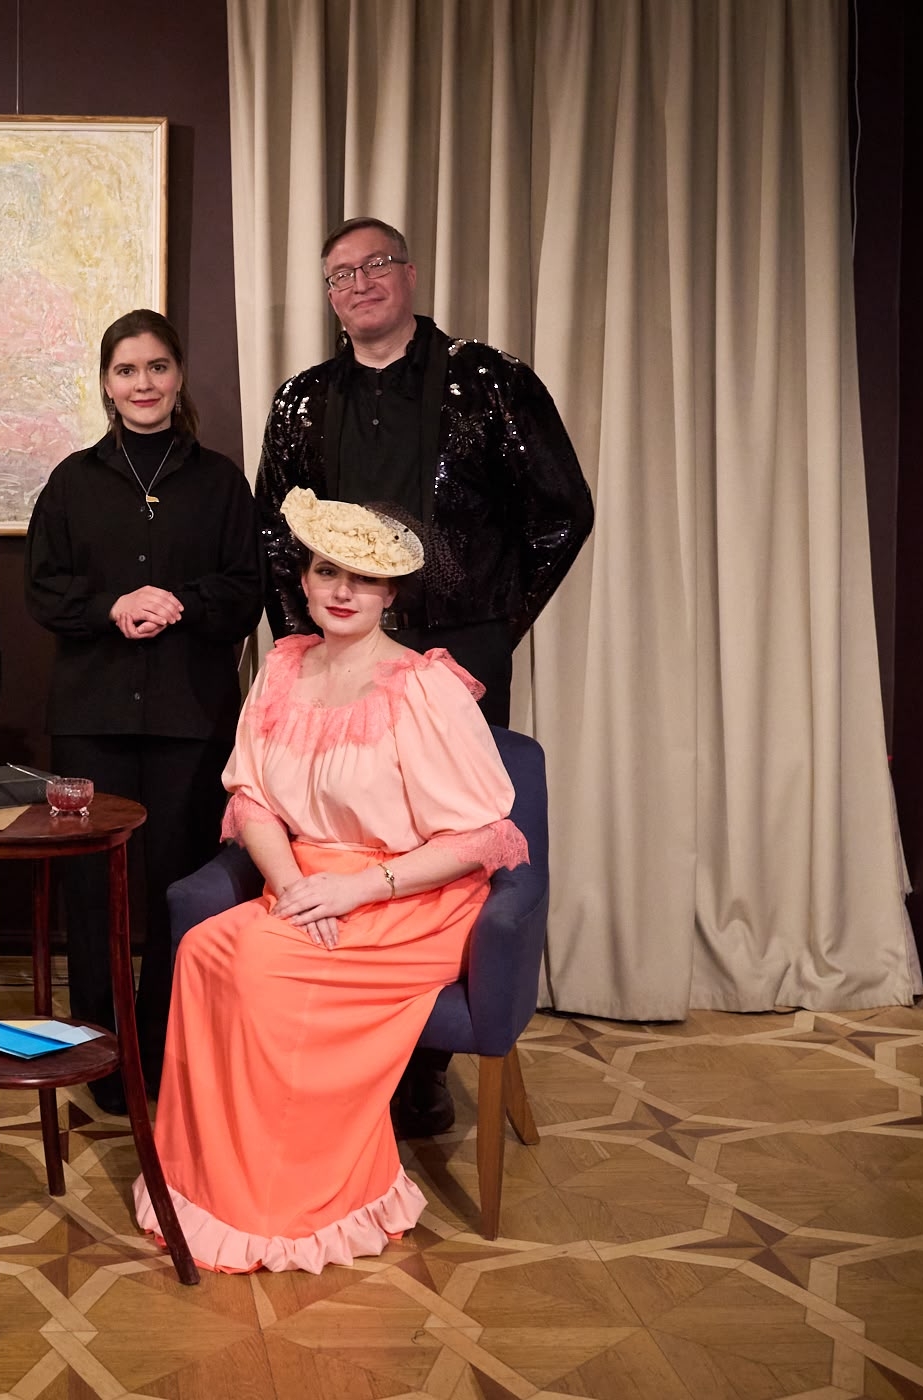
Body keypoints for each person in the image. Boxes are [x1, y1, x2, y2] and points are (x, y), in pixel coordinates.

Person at [254, 215, 592, 1136]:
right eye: (340, 274)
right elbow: (275, 536)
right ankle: (334, 1054)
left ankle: (422, 1067)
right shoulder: (301, 400)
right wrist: (306, 646)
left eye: (376, 265)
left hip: (456, 658)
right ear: (329, 297)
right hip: (338, 661)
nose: (359, 283)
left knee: (442, 846)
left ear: (409, 274)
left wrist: (493, 624)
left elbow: (562, 511)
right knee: (340, 841)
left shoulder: (491, 380)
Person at [132, 489, 529, 1274]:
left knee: (261, 967)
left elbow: (483, 835)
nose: (343, 591)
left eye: (364, 578)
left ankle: (286, 1205)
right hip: (306, 878)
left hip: (410, 895)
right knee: (206, 950)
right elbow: (252, 799)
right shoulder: (281, 668)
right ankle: (207, 1184)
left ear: (390, 595)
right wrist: (288, 885)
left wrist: (360, 889)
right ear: (304, 581)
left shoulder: (425, 687)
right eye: (327, 572)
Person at [24, 309, 261, 1114]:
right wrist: (112, 607)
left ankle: (163, 1049)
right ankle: (99, 1054)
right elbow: (44, 590)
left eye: (157, 367)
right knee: (93, 894)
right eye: (127, 370)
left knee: (176, 892)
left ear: (178, 375)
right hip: (90, 721)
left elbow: (246, 589)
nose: (144, 383)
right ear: (105, 383)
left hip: (190, 722)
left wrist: (177, 602)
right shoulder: (73, 480)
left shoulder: (220, 481)